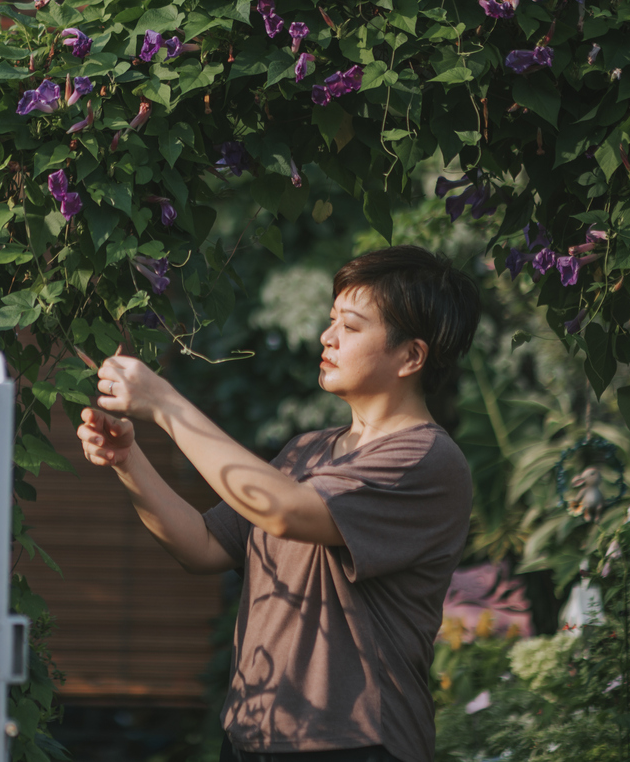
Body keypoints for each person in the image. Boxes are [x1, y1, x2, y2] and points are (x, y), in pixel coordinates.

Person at [76, 245, 481, 762]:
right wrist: (128, 461)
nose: (327, 337)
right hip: (253, 738)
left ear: (410, 357)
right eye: (331, 320)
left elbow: (285, 512)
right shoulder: (307, 451)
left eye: (350, 328)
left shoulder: (426, 459)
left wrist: (165, 403)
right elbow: (202, 546)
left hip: (352, 745)